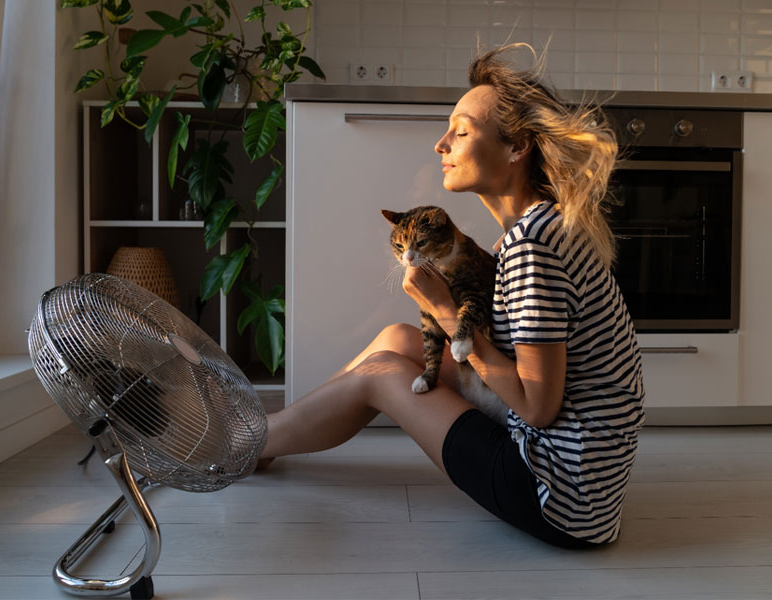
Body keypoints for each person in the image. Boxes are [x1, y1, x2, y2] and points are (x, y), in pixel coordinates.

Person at [258, 44, 645, 548]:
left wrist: (442, 306)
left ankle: (244, 443)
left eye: (461, 131)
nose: (441, 144)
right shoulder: (540, 226)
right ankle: (265, 439)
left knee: (382, 375)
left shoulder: (532, 246)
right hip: (587, 488)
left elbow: (539, 408)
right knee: (398, 339)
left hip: (555, 494)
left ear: (516, 147)